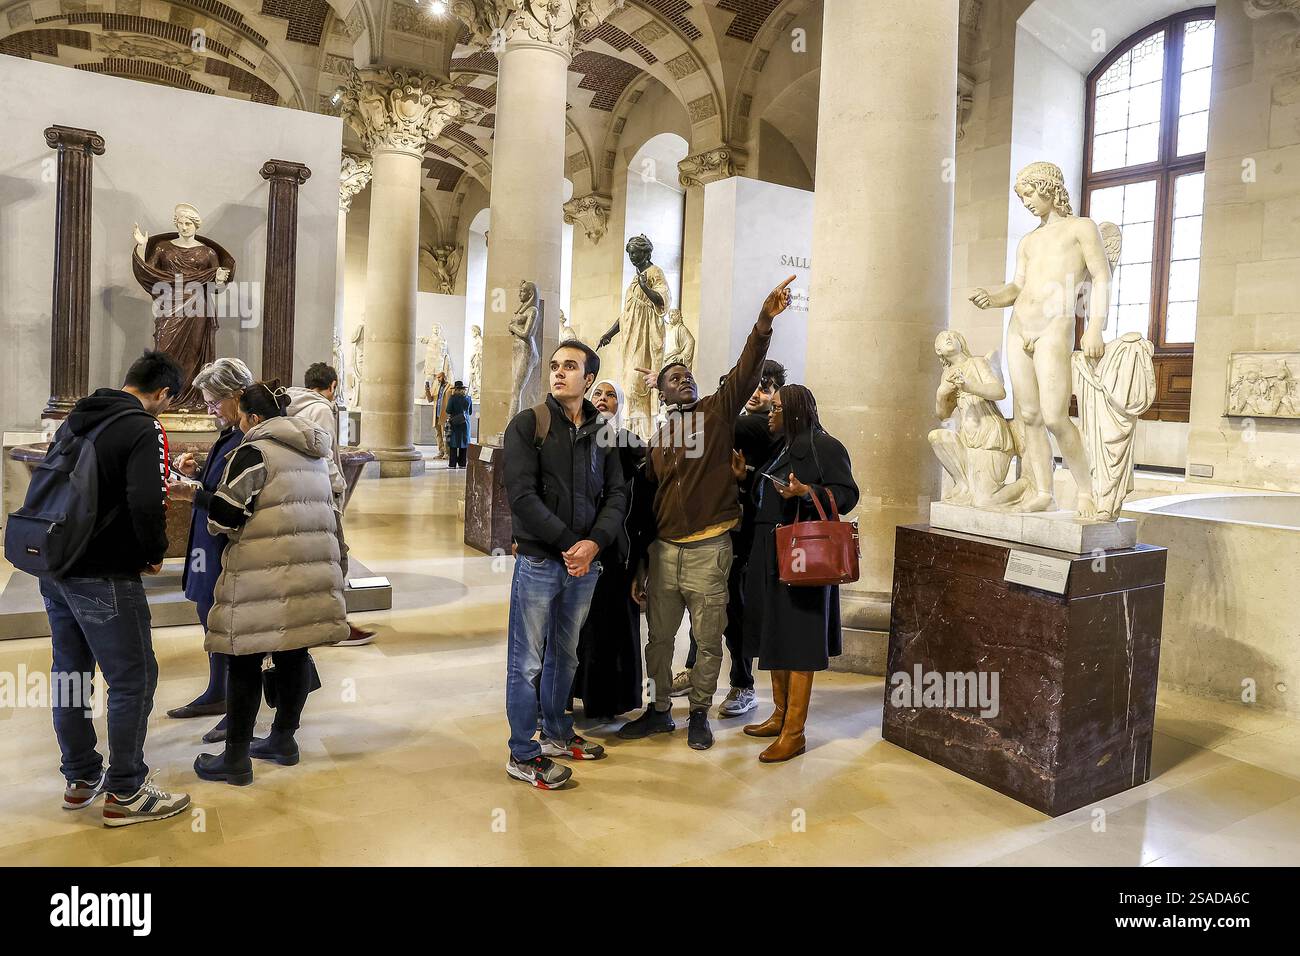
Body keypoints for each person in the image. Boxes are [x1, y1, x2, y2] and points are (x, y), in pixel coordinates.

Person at [618, 276, 796, 752]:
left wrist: (763, 322)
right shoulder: (658, 441)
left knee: (709, 638)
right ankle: (658, 712)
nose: (686, 379)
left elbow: (745, 369)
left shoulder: (715, 414)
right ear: (661, 394)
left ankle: (698, 712)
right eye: (674, 378)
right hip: (663, 551)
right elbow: (646, 505)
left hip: (709, 547)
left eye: (688, 375)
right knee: (658, 642)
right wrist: (640, 560)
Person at [168, 382, 348, 785]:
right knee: (293, 653)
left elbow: (226, 518)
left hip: (263, 573)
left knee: (244, 657)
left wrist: (194, 496)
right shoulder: (314, 451)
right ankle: (283, 740)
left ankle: (235, 758)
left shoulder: (252, 451)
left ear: (250, 416)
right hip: (312, 569)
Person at [39, 350, 192, 826]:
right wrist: (154, 552)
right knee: (132, 678)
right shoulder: (141, 427)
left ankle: (81, 777)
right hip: (104, 571)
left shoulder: (77, 418)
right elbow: (147, 500)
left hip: (56, 565)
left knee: (70, 673)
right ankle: (126, 791)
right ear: (162, 393)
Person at [501, 342, 628, 789]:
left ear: (589, 378)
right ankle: (523, 752)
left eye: (569, 367)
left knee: (566, 653)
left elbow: (617, 494)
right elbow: (521, 497)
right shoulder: (528, 424)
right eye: (554, 366)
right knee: (527, 662)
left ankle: (556, 732)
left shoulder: (602, 430)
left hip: (583, 565)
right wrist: (572, 544)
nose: (558, 373)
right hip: (540, 561)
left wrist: (594, 543)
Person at [743, 384, 858, 762]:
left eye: (776, 408)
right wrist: (745, 478)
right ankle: (778, 714)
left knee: (799, 640)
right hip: (773, 552)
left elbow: (847, 494)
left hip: (804, 557)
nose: (770, 413)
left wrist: (808, 492)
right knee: (777, 635)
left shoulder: (825, 446)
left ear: (794, 410)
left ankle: (795, 732)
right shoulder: (784, 447)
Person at [672, 359, 787, 717]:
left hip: (747, 534)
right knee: (702, 599)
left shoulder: (765, 428)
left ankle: (742, 684)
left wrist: (681, 402)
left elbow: (717, 427)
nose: (756, 394)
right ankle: (694, 669)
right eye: (752, 386)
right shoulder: (742, 425)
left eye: (765, 388)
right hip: (717, 526)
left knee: (733, 608)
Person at [166, 357, 254, 747]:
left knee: (230, 632)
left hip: (227, 549)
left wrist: (195, 492)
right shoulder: (229, 432)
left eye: (213, 401)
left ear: (236, 396)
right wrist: (194, 473)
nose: (208, 409)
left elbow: (235, 502)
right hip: (209, 545)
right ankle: (217, 691)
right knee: (211, 623)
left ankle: (236, 709)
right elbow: (216, 484)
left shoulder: (251, 438)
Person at [569, 378, 653, 721]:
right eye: (598, 394)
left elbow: (641, 499)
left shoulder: (629, 444)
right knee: (575, 626)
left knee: (608, 626)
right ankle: (567, 694)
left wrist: (641, 562)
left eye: (610, 396)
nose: (603, 400)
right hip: (576, 546)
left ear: (620, 404)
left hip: (615, 550)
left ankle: (606, 700)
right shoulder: (577, 437)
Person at [287, 362, 374, 647]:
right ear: (333, 385)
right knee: (338, 557)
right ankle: (333, 625)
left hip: (300, 491)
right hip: (321, 493)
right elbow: (323, 453)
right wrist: (340, 487)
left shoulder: (292, 403)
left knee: (316, 560)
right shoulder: (321, 408)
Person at [445, 381, 473, 469]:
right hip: (465, 423)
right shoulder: (468, 398)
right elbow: (470, 412)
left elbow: (448, 410)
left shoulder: (453, 398)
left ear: (456, 389)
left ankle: (452, 464)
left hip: (455, 423)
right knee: (464, 442)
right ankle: (462, 463)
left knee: (454, 442)